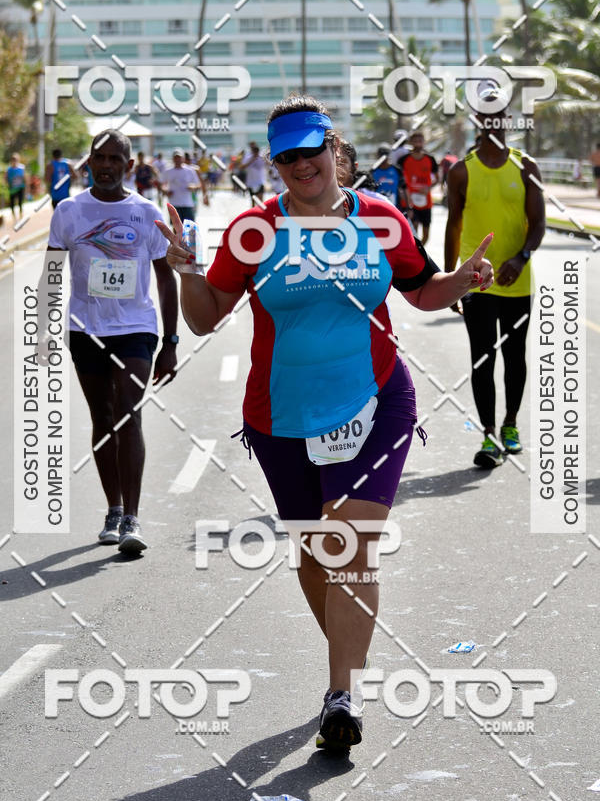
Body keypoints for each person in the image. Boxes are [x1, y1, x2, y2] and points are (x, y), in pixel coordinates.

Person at [156, 95, 493, 750]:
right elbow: (206, 316)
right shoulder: (254, 230)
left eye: (311, 151)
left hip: (376, 400)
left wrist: (466, 280)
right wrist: (188, 271)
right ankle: (348, 653)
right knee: (313, 552)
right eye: (285, 157)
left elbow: (423, 290)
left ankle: (342, 693)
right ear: (274, 163)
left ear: (334, 148)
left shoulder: (382, 219)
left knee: (350, 545)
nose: (300, 165)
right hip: (279, 415)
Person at [42, 130, 179, 554]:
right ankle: (113, 509)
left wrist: (171, 341)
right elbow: (51, 275)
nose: (104, 166)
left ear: (128, 166)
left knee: (127, 416)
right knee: (102, 419)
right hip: (84, 329)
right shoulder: (68, 212)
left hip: (136, 328)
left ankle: (133, 519)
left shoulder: (146, 212)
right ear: (89, 163)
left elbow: (164, 276)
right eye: (98, 158)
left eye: (114, 159)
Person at [444, 87, 545, 468]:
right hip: (476, 283)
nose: (492, 121)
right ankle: (488, 437)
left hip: (517, 282)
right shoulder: (460, 171)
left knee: (514, 357)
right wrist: (450, 279)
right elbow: (453, 227)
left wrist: (521, 258)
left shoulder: (525, 167)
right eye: (485, 114)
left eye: (498, 113)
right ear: (476, 120)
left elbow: (538, 224)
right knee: (482, 359)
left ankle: (510, 425)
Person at [398, 132, 438, 245]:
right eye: (415, 141)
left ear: (424, 142)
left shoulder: (430, 159)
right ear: (411, 143)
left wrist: (429, 187)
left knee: (426, 234)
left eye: (420, 141)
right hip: (410, 201)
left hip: (426, 202)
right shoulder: (403, 160)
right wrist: (403, 193)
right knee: (413, 231)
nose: (418, 144)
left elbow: (438, 178)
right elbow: (399, 180)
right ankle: (415, 254)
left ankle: (420, 252)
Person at [162, 149, 198, 222]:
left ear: (183, 159)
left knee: (188, 228)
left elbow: (197, 184)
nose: (177, 159)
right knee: (176, 227)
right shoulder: (168, 171)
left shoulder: (189, 170)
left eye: (179, 157)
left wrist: (192, 187)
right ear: (173, 159)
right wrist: (165, 191)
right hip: (174, 204)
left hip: (187, 203)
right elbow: (162, 184)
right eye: (176, 157)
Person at [6, 153, 26, 221]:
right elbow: (6, 178)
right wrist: (8, 184)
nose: (14, 161)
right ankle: (14, 217)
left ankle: (20, 215)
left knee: (20, 203)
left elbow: (24, 177)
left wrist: (27, 187)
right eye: (13, 160)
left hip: (20, 188)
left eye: (16, 160)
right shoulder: (9, 169)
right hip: (12, 189)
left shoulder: (22, 168)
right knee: (12, 204)